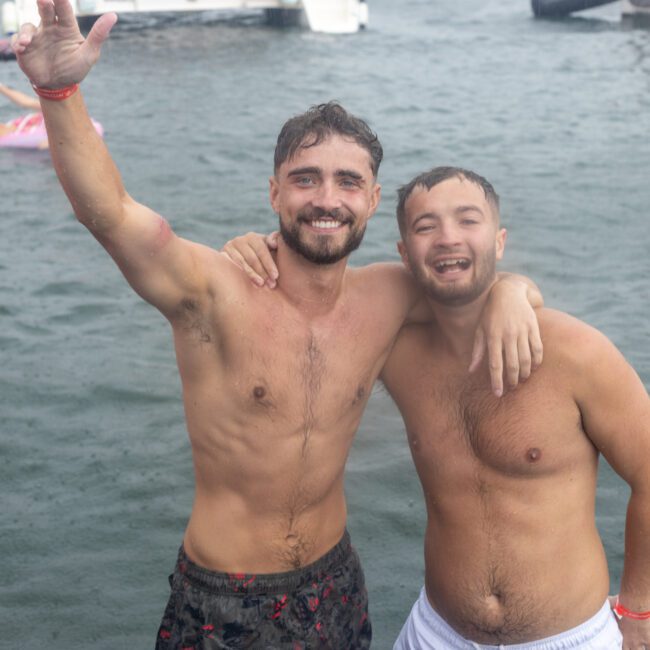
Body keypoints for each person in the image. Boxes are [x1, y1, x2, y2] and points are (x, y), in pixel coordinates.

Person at [11, 2, 543, 646]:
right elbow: (112, 215)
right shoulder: (211, 293)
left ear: (373, 200)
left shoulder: (393, 294)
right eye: (305, 180)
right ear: (274, 193)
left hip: (335, 583)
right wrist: (59, 92)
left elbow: (467, 284)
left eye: (348, 181)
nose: (326, 199)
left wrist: (515, 289)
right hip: (223, 594)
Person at [383, 167, 650, 649]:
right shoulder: (395, 351)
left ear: (499, 240)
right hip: (436, 633)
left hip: (569, 637)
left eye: (468, 220)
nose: (447, 238)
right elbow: (318, 302)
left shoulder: (577, 353)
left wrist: (638, 611)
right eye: (426, 227)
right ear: (404, 254)